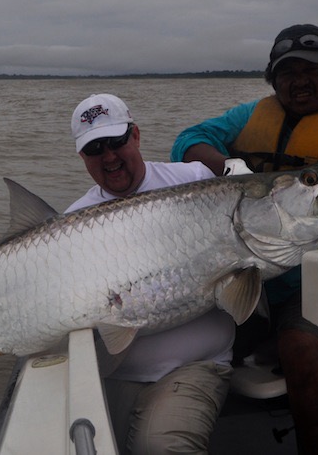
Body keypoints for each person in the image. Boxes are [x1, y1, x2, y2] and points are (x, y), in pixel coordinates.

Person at [170, 24, 318, 454]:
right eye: (287, 73)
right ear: (273, 80)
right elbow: (188, 141)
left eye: (311, 70)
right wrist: (227, 167)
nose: (298, 81)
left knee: (300, 348)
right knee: (172, 328)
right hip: (244, 268)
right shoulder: (249, 116)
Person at [67, 93, 236, 454]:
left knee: (159, 447)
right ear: (82, 156)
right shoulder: (71, 224)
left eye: (117, 142)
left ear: (136, 135)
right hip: (112, 374)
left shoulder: (195, 182)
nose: (109, 157)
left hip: (193, 366)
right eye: (95, 149)